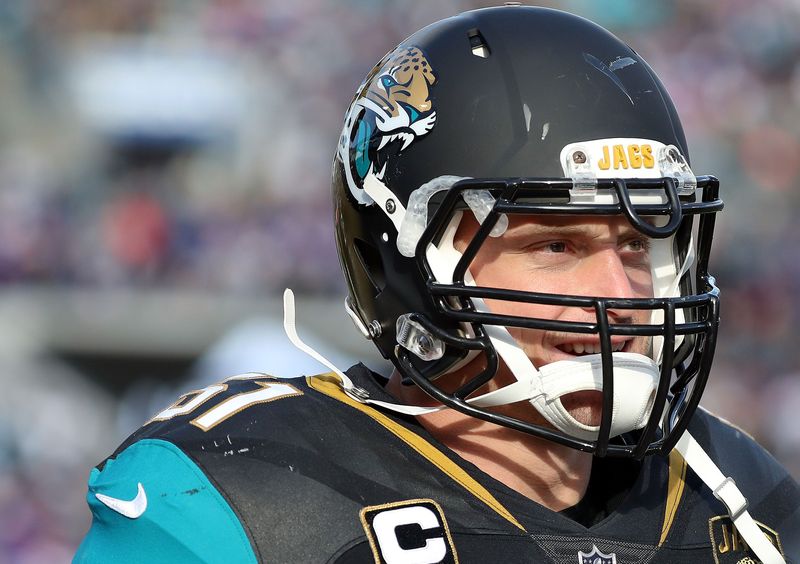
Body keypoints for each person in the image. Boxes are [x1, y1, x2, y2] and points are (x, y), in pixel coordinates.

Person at [75, 5, 799, 563]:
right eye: (557, 243)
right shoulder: (246, 493)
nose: (621, 289)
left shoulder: (737, 493)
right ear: (411, 263)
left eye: (640, 247)